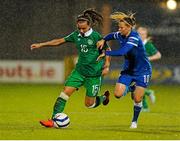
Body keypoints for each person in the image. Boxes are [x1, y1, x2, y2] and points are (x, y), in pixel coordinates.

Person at [31, 8, 111, 128]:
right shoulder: (76, 35)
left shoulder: (96, 36)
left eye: (84, 28)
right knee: (65, 93)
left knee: (89, 104)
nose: (81, 30)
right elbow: (59, 41)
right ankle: (53, 119)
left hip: (94, 75)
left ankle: (104, 97)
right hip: (79, 72)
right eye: (79, 28)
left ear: (89, 25)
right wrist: (41, 44)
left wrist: (107, 65)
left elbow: (108, 50)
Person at [97, 12, 152, 128]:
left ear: (129, 27)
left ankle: (134, 122)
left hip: (143, 71)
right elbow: (111, 35)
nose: (119, 29)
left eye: (121, 27)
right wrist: (103, 39)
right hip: (128, 70)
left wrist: (105, 52)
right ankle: (132, 87)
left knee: (137, 98)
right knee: (117, 94)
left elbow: (122, 52)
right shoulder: (121, 34)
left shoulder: (134, 37)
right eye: (119, 27)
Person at [137, 26, 161, 112]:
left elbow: (158, 55)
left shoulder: (148, 45)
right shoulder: (136, 43)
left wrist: (148, 58)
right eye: (139, 33)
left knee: (138, 87)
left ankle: (145, 105)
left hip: (144, 69)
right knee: (137, 88)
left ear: (146, 35)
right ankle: (147, 99)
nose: (140, 35)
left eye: (142, 34)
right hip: (135, 68)